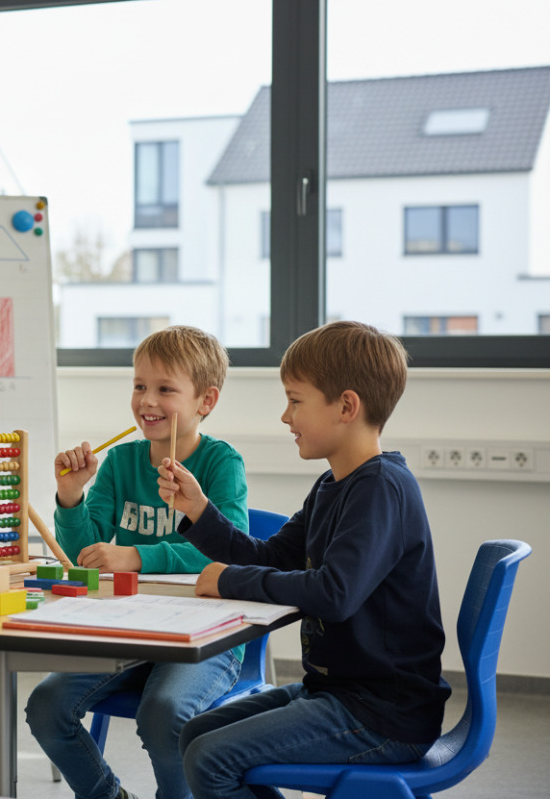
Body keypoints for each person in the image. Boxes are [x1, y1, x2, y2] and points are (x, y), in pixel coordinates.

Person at [160, 321, 451, 799]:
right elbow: (272, 554)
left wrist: (231, 580)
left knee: (210, 758)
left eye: (295, 401)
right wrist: (199, 512)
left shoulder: (381, 489)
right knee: (194, 736)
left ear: (346, 406)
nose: (284, 416)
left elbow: (333, 594)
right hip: (336, 693)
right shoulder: (334, 485)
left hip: (380, 714)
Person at [26, 325, 249, 799]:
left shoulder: (221, 463)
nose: (147, 400)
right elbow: (82, 553)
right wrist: (70, 496)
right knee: (46, 705)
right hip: (130, 629)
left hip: (206, 636)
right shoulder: (122, 461)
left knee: (163, 712)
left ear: (205, 401)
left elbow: (226, 549)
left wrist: (135, 555)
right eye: (140, 386)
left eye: (165, 389)